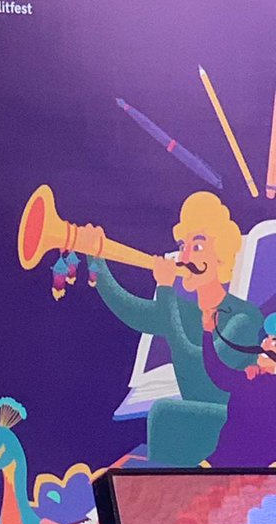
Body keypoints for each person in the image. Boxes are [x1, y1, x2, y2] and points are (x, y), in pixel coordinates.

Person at [84, 192, 261, 465]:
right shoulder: (183, 311)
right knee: (168, 417)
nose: (185, 256)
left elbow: (204, 373)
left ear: (222, 256)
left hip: (238, 425)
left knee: (165, 415)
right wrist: (96, 258)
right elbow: (131, 311)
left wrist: (166, 290)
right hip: (204, 425)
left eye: (198, 246)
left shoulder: (244, 317)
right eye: (183, 245)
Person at [201, 307, 276, 466]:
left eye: (274, 341)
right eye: (266, 339)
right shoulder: (250, 379)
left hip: (264, 468)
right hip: (223, 461)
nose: (267, 343)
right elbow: (218, 373)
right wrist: (207, 332)